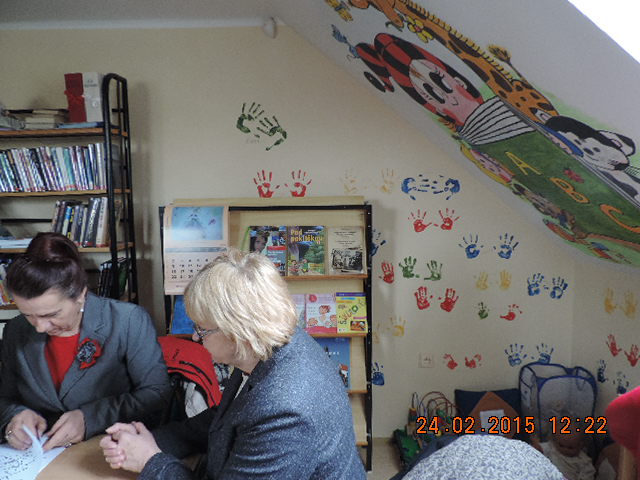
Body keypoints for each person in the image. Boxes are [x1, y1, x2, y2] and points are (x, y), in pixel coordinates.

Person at [100, 248, 366, 479]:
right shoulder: (269, 344)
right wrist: (150, 441)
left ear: (238, 331)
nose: (195, 337)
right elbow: (227, 417)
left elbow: (257, 415)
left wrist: (149, 460)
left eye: (202, 329)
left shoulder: (284, 412)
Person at [0, 232, 171, 451]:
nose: (40, 327)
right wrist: (15, 416)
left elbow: (156, 394)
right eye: (28, 315)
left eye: (51, 314)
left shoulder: (127, 320)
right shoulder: (15, 330)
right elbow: (6, 398)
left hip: (110, 448)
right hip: (41, 454)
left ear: (80, 294)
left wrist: (90, 417)